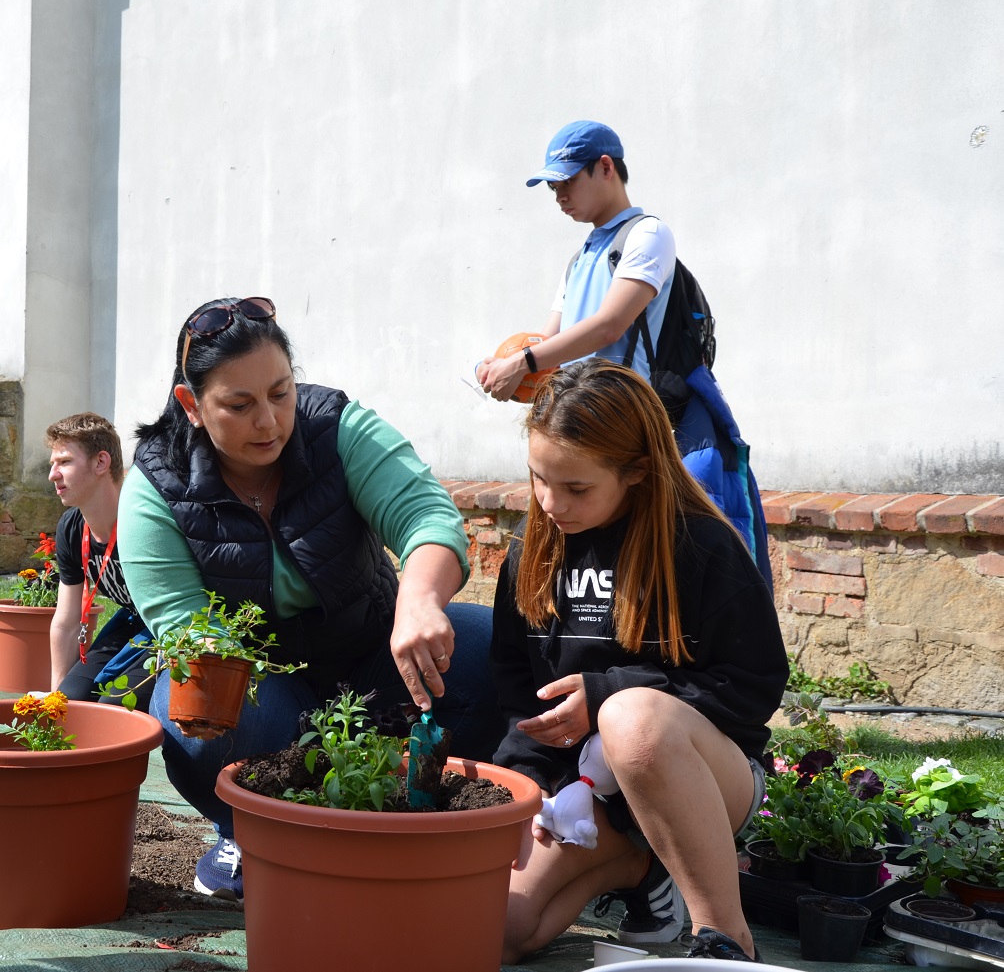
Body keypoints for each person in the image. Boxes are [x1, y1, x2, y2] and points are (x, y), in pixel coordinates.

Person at [119, 296, 505, 901]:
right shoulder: (154, 489)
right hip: (261, 690)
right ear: (191, 406)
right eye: (239, 405)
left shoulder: (336, 428)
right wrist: (311, 742)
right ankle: (246, 830)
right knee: (193, 699)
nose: (269, 422)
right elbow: (187, 630)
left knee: (488, 645)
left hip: (372, 659)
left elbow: (426, 514)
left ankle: (428, 814)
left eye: (280, 393)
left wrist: (419, 602)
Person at [490, 360, 786, 963]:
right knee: (497, 929)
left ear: (637, 473)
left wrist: (608, 696)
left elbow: (752, 688)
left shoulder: (702, 546)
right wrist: (531, 791)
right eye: (539, 480)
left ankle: (725, 940)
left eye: (576, 488)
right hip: (581, 792)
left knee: (631, 722)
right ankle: (639, 867)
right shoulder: (533, 547)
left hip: (698, 779)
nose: (551, 504)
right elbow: (517, 684)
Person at [476, 120, 771, 586]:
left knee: (658, 561)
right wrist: (502, 367)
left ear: (606, 167)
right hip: (579, 427)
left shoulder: (647, 235)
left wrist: (525, 362)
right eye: (553, 185)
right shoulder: (578, 260)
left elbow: (611, 322)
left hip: (630, 427)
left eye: (568, 180)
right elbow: (547, 347)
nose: (559, 194)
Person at [44, 412, 153, 706]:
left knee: (114, 705)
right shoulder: (71, 527)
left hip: (172, 625)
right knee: (72, 700)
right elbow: (66, 622)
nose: (53, 474)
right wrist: (56, 699)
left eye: (64, 462)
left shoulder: (145, 517)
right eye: (53, 464)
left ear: (101, 463)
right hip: (134, 619)